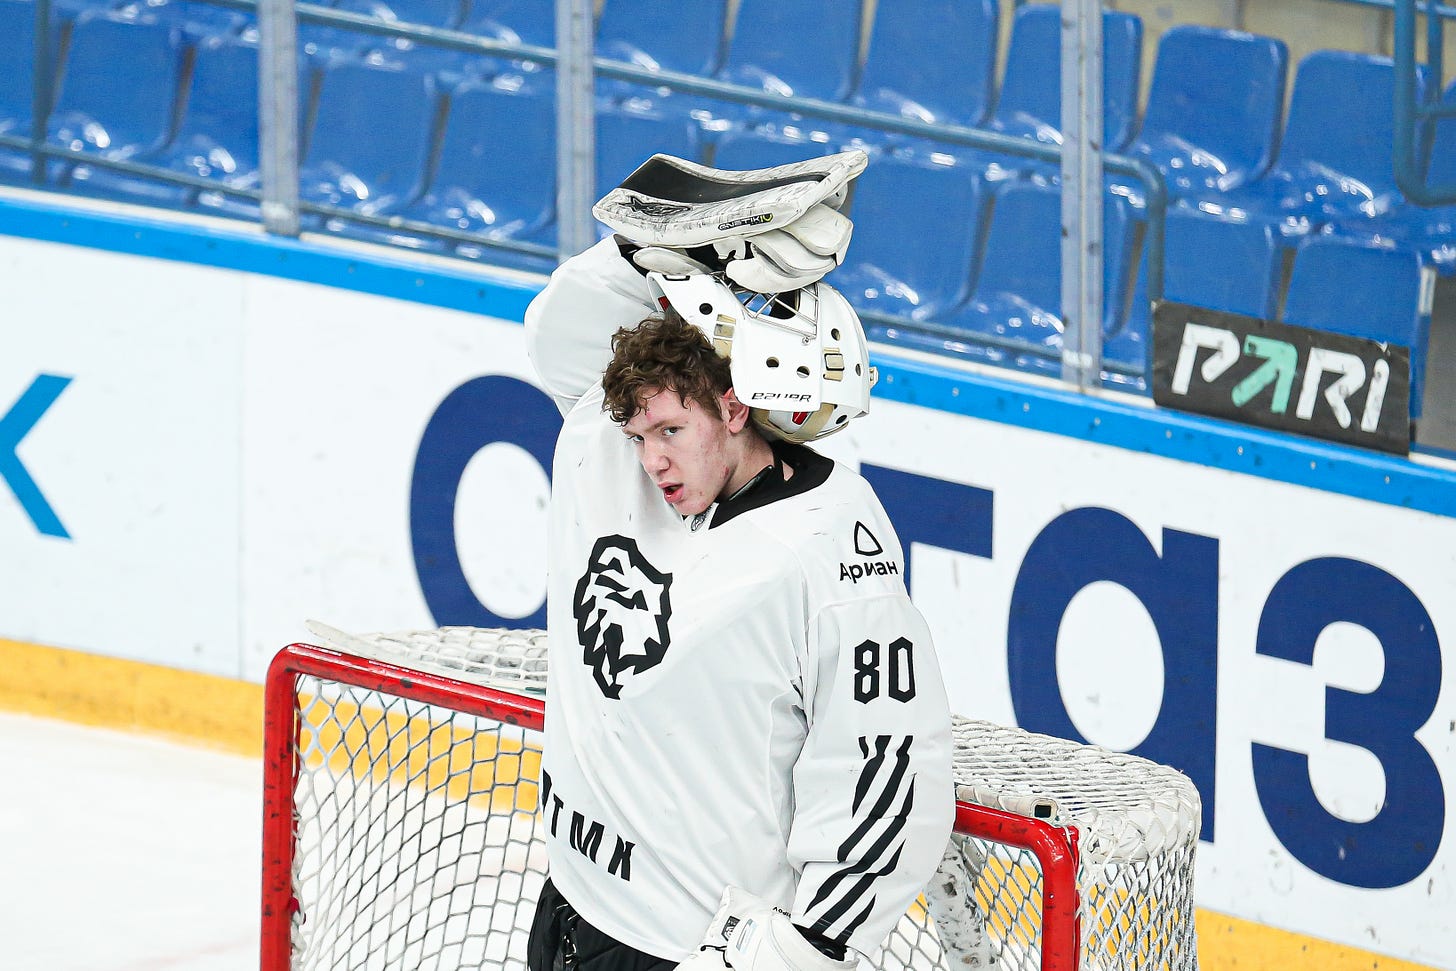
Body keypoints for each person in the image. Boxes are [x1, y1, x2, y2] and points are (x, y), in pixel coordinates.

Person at [522, 151, 954, 971]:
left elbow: (886, 774)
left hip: (688, 951)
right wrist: (677, 249)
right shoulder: (601, 444)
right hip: (571, 908)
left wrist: (801, 953)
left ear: (734, 403)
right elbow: (560, 332)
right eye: (638, 435)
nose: (650, 460)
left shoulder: (830, 547)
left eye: (671, 433)